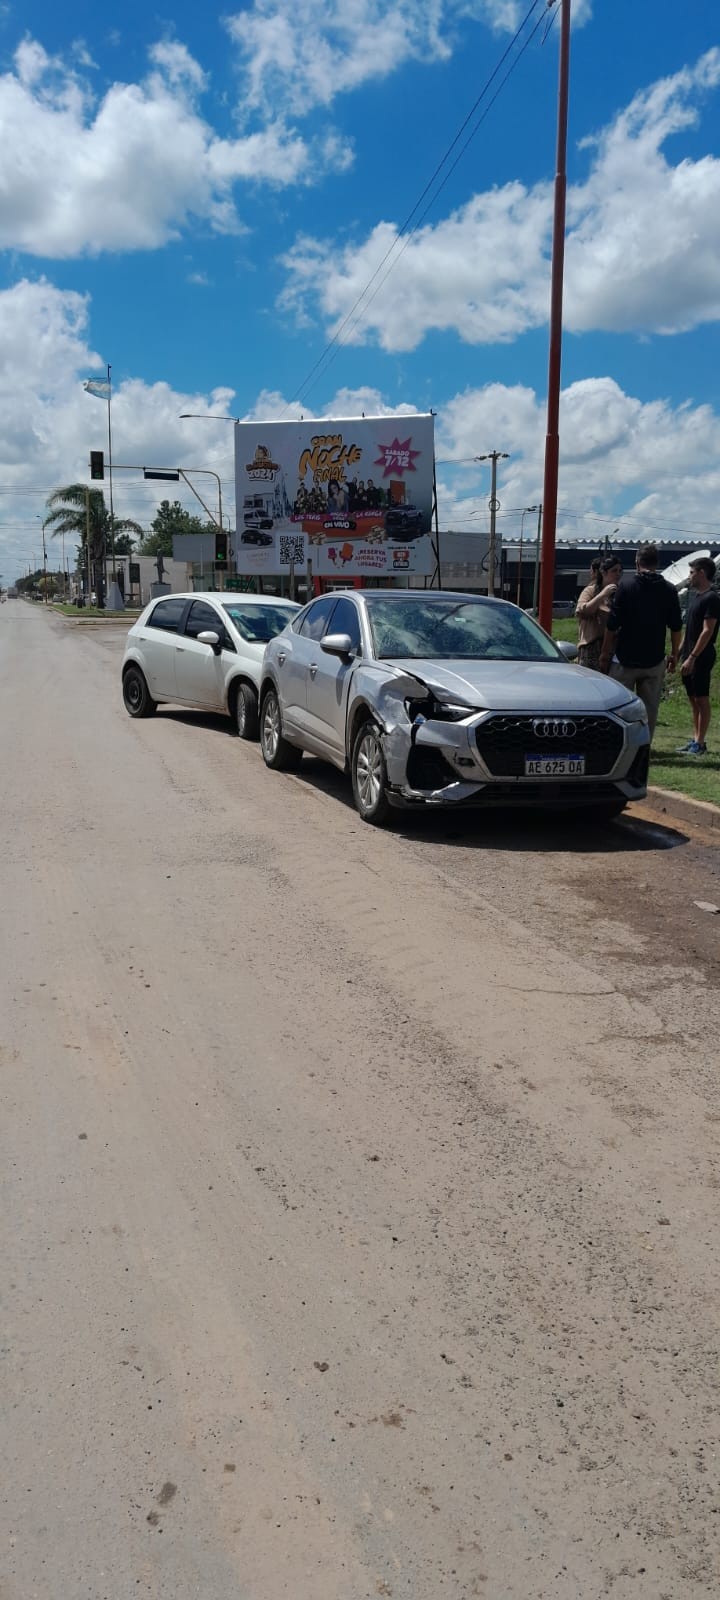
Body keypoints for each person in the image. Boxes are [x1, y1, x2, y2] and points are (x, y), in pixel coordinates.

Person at [599, 543, 682, 739]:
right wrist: (674, 654)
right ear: (657, 563)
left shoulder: (626, 587)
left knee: (618, 706)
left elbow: (612, 626)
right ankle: (644, 745)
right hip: (654, 659)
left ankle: (618, 742)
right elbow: (676, 628)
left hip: (625, 659)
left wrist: (604, 653)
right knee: (650, 708)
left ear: (637, 563)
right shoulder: (669, 590)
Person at [676, 557, 720, 756]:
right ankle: (695, 738)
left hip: (701, 655)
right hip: (689, 653)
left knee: (701, 698)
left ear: (702, 573)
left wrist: (693, 656)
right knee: (693, 698)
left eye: (692, 572)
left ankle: (700, 743)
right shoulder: (696, 597)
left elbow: (707, 631)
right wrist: (678, 652)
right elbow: (690, 629)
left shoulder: (712, 598)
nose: (689, 576)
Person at [575, 556, 623, 670]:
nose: (618, 574)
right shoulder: (591, 590)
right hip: (591, 647)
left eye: (620, 571)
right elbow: (582, 611)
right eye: (614, 571)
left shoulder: (619, 593)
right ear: (603, 572)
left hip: (613, 648)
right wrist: (602, 595)